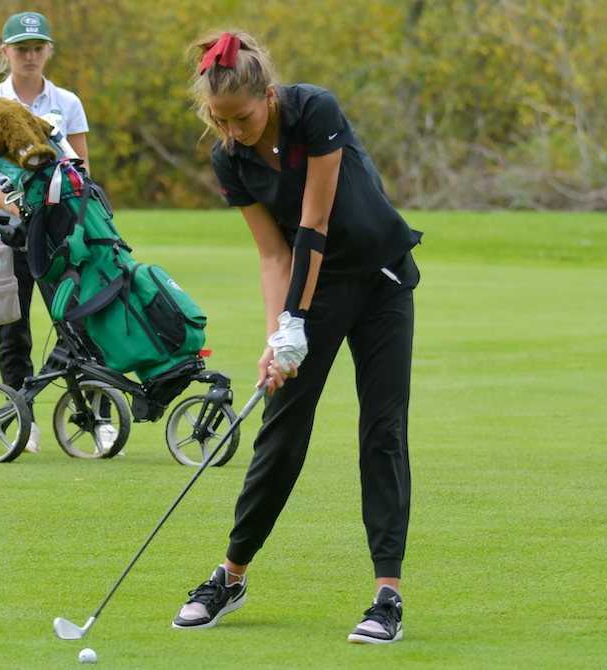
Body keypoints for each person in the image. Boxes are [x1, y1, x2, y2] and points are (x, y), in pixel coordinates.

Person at [171, 31, 422, 645]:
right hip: (314, 292)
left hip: (381, 279)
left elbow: (314, 223)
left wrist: (293, 323)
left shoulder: (315, 111)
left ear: (269, 94)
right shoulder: (230, 159)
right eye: (220, 121)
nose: (233, 131)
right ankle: (230, 575)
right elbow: (272, 254)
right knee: (280, 428)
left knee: (382, 431)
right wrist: (275, 338)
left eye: (242, 117)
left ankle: (386, 597)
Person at [0, 11, 112, 454]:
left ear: (48, 51)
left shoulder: (66, 101)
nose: (30, 56)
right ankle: (20, 421)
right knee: (14, 328)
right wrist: (11, 202)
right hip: (12, 229)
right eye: (21, 49)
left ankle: (97, 418)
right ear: (5, 52)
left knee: (80, 320)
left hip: (61, 230)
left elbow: (81, 167)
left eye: (37, 48)